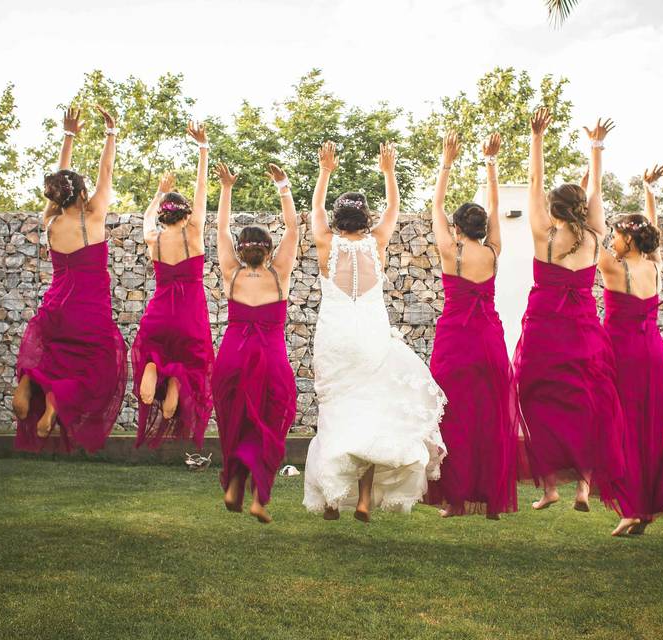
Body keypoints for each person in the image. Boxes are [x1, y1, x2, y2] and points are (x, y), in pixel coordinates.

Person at [302, 141, 447, 523]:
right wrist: (389, 172)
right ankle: (364, 500)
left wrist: (325, 171)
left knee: (336, 413)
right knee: (373, 411)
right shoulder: (377, 243)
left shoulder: (324, 243)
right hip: (370, 338)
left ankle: (332, 498)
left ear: (337, 219)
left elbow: (314, 209)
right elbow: (395, 209)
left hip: (334, 340)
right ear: (367, 219)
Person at [511, 108, 625, 512]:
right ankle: (583, 486)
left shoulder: (545, 233)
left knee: (536, 398)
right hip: (583, 327)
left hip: (545, 325)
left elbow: (534, 181)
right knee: (589, 400)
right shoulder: (594, 233)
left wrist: (537, 137)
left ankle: (549, 487)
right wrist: (596, 147)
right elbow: (597, 190)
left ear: (553, 208)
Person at [424, 131, 527, 518]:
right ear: (483, 227)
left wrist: (447, 161)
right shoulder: (493, 252)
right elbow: (497, 207)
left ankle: (454, 501)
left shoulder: (451, 251)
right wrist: (491, 163)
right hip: (488, 338)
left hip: (455, 338)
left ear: (456, 227)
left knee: (453, 416)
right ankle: (491, 501)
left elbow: (435, 203)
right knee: (490, 415)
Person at [13, 104, 127, 453]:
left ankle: (32, 382)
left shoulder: (50, 220)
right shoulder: (90, 220)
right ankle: (54, 404)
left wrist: (69, 135)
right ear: (81, 194)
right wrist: (111, 134)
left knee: (54, 357)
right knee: (96, 367)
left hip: (56, 304)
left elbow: (61, 180)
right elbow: (106, 172)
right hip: (88, 307)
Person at [597, 163, 663, 535]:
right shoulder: (653, 265)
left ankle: (631, 508)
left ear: (629, 240)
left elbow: (591, 234)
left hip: (623, 358)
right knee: (649, 430)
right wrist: (649, 192)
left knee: (620, 431)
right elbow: (653, 233)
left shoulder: (614, 269)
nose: (613, 242)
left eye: (618, 236)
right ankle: (644, 509)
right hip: (654, 355)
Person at [211, 162, 299, 524]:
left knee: (237, 420)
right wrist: (283, 185)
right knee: (271, 421)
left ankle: (234, 483)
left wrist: (227, 188)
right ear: (268, 249)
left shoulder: (231, 273)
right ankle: (259, 497)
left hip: (232, 355)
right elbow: (293, 228)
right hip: (270, 356)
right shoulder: (279, 274)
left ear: (241, 249)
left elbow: (220, 229)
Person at [131, 123, 214, 448]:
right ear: (186, 213)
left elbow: (145, 220)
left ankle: (154, 367)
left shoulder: (155, 239)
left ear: (165, 216)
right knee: (193, 362)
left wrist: (157, 194)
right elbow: (202, 189)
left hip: (160, 311)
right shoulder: (193, 232)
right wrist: (203, 149)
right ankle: (177, 383)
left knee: (157, 351)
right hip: (189, 312)